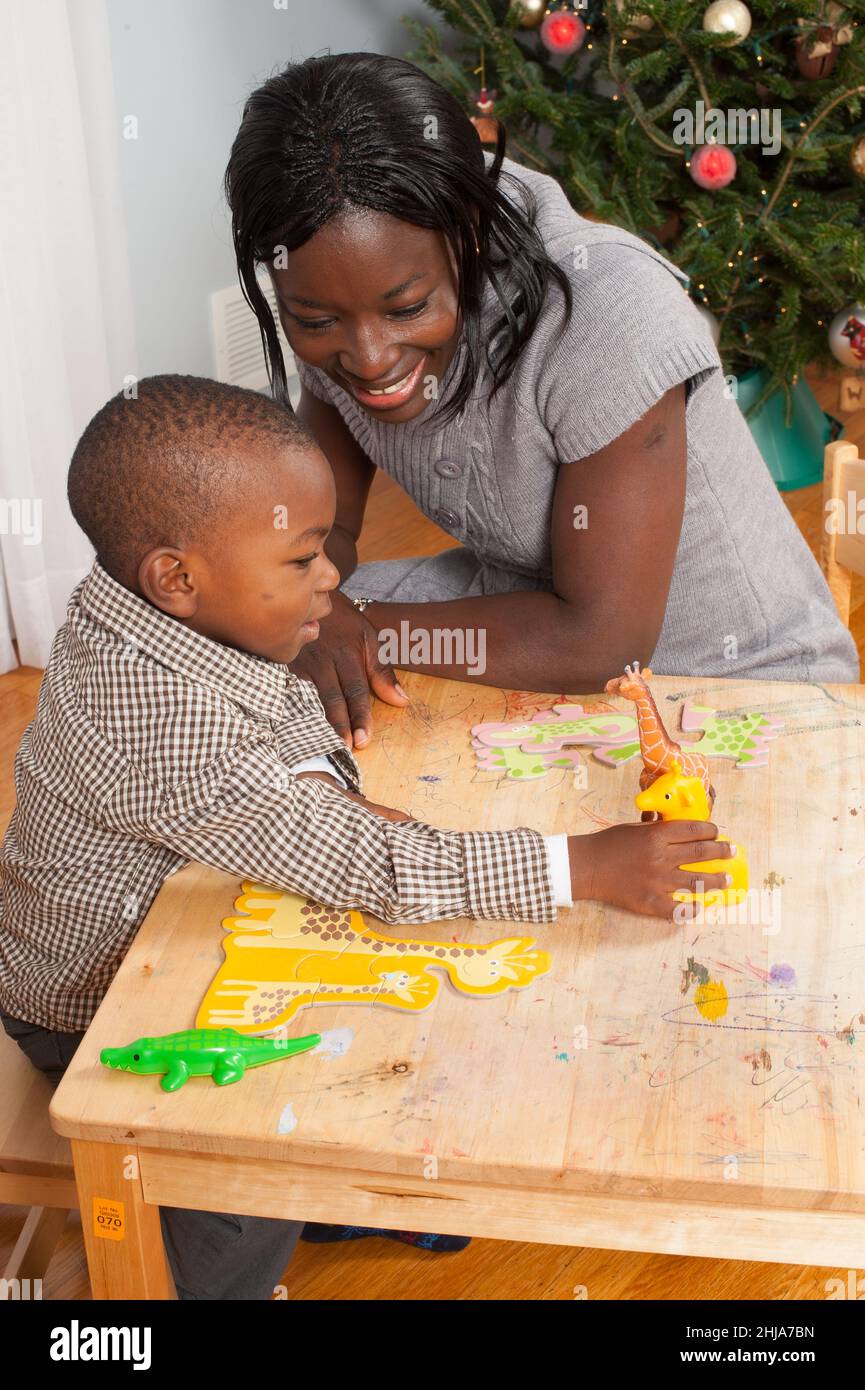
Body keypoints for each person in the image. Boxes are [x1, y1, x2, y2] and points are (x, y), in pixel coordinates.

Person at [0, 376, 735, 1298]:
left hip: (186, 920)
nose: (331, 579)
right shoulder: (156, 719)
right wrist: (579, 864)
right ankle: (186, 1284)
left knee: (379, 1002)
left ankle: (322, 1194)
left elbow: (277, 717)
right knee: (249, 1152)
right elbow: (373, 864)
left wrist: (312, 789)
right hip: (94, 1008)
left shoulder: (152, 616)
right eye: (301, 559)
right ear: (176, 579)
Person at [224, 51, 859, 754]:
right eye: (315, 320)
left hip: (727, 682)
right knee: (232, 632)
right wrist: (315, 605)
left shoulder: (607, 311)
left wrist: (356, 621)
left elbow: (601, 645)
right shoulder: (341, 272)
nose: (368, 358)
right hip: (518, 613)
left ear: (465, 238)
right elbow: (325, 529)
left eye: (406, 307)